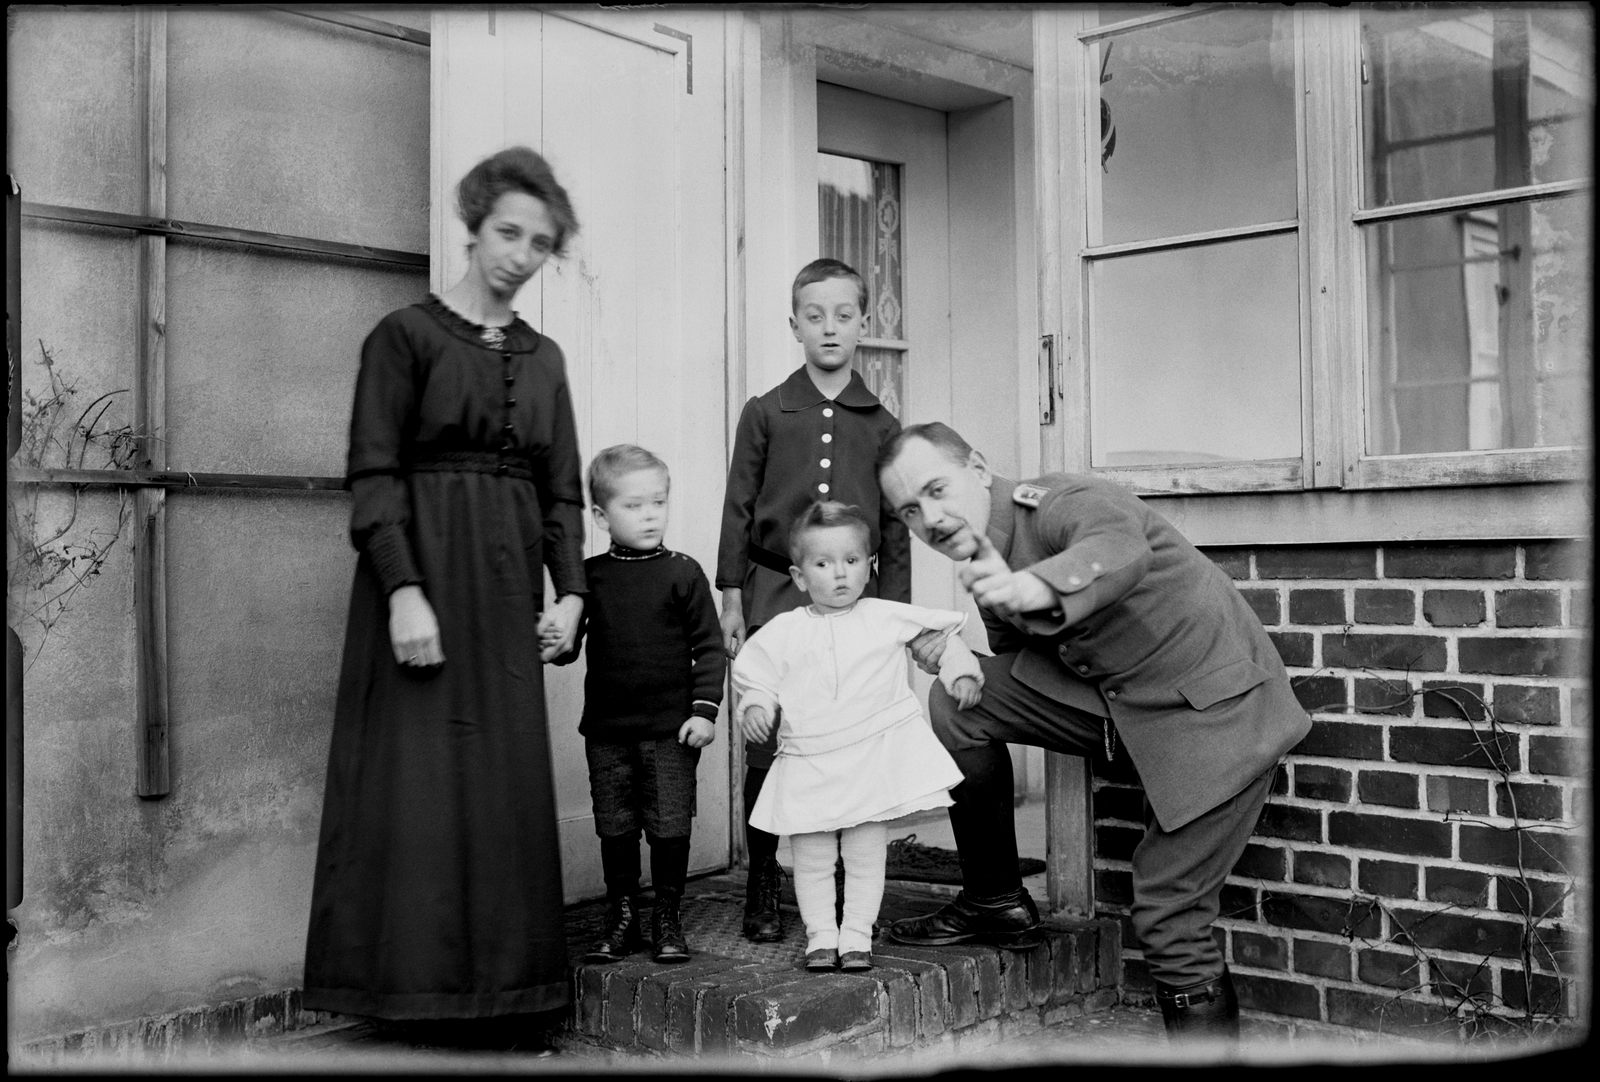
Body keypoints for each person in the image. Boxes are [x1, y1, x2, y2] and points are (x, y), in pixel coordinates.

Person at [875, 422, 1312, 1040]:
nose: (931, 519)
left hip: (1216, 717)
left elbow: (1119, 550)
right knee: (960, 701)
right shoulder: (983, 556)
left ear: (978, 467)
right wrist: (956, 658)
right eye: (910, 511)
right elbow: (1023, 658)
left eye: (937, 490)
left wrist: (1037, 586)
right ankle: (994, 899)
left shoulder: (1061, 503)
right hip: (1123, 707)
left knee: (1169, 915)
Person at [303, 146, 587, 1048]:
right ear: (474, 226)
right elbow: (372, 471)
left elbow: (562, 490)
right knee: (418, 779)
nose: (520, 255)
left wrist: (572, 593)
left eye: (539, 243)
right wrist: (403, 592)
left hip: (507, 587)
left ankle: (505, 993)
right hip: (423, 577)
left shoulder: (546, 359)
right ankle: (411, 991)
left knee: (501, 781)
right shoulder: (403, 337)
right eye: (508, 232)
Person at [716, 258, 912, 942]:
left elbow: (895, 532)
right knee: (771, 742)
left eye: (843, 315)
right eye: (814, 315)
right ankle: (763, 886)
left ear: (864, 324)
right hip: (774, 594)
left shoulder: (883, 426)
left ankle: (847, 897)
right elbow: (738, 507)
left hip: (857, 606)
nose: (829, 328)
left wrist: (897, 622)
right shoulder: (766, 411)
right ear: (794, 324)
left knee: (848, 743)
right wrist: (732, 598)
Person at [731, 502, 980, 971]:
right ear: (799, 576)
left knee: (865, 854)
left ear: (869, 566)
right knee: (812, 856)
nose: (840, 574)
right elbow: (757, 676)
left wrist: (960, 671)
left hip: (870, 760)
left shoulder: (883, 616)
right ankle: (821, 936)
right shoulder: (785, 630)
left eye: (851, 560)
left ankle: (857, 936)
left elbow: (943, 637)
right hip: (810, 761)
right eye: (823, 564)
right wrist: (758, 706)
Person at [551, 444, 723, 966]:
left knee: (669, 824)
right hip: (607, 731)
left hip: (671, 731)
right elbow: (569, 648)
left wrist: (704, 711)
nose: (650, 515)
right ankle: (621, 915)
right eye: (634, 505)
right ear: (601, 516)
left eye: (658, 503)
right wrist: (551, 640)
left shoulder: (683, 572)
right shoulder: (589, 577)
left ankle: (667, 916)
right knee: (616, 825)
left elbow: (709, 648)